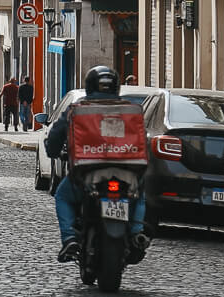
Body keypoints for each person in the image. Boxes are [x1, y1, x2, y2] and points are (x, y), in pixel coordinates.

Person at [46, 65, 149, 263]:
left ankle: (69, 237)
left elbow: (57, 134)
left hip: (88, 173)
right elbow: (142, 138)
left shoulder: (77, 108)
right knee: (140, 193)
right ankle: (137, 231)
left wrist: (53, 150)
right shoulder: (129, 109)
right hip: (126, 171)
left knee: (62, 196)